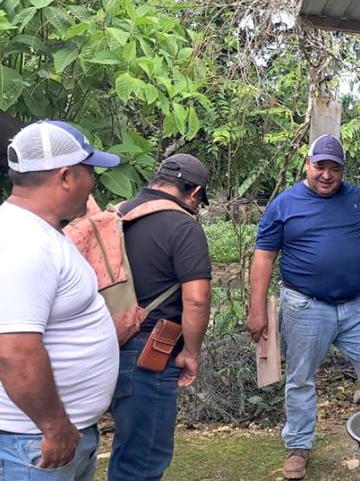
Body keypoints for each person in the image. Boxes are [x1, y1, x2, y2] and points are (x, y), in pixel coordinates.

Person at [247, 134, 360, 480]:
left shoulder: (359, 200)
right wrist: (257, 309)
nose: (327, 175)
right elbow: (264, 257)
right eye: (320, 166)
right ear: (308, 164)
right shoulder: (284, 204)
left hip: (358, 307)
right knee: (301, 379)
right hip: (305, 306)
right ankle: (299, 446)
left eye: (335, 168)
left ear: (343, 170)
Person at [0, 120, 120, 480]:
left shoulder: (43, 231)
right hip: (33, 443)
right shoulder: (22, 243)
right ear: (66, 176)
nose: (94, 182)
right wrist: (53, 427)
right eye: (90, 171)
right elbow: (13, 351)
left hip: (57, 435)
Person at [108, 154, 212, 480]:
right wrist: (191, 353)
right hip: (149, 354)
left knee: (124, 446)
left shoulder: (114, 216)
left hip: (100, 345)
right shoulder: (183, 225)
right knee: (142, 459)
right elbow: (196, 299)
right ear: (194, 193)